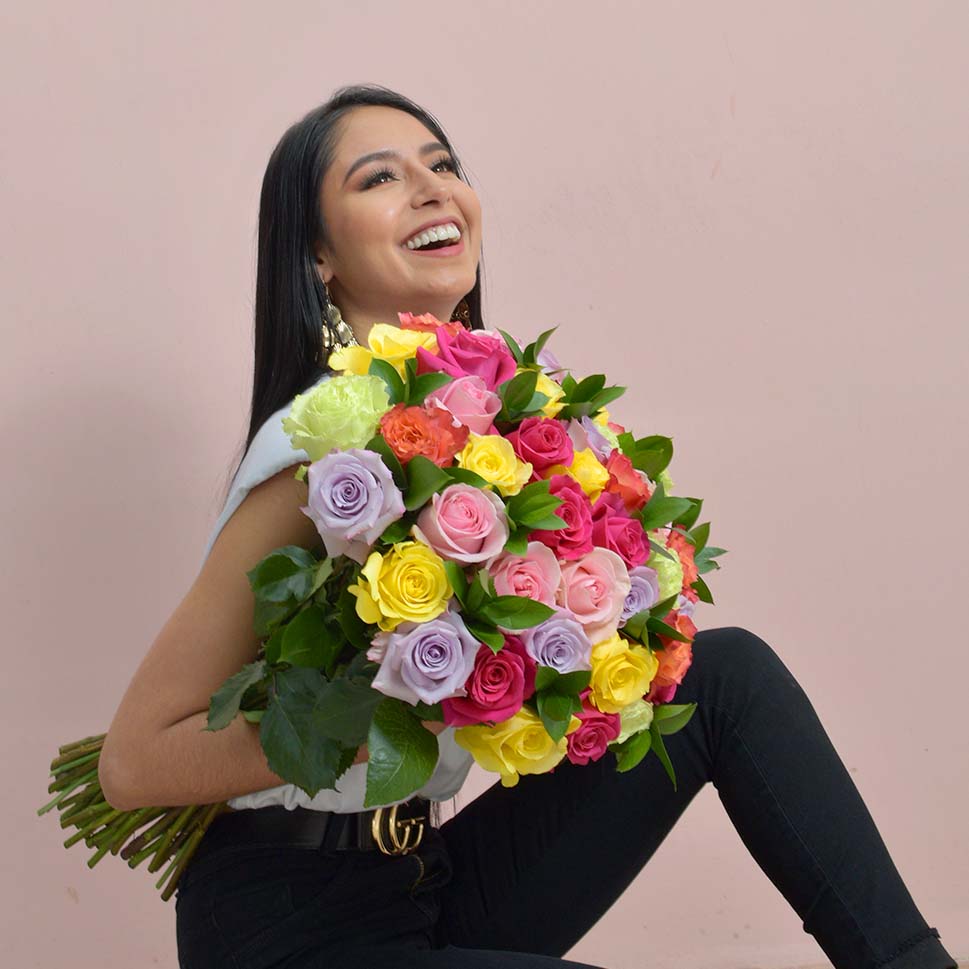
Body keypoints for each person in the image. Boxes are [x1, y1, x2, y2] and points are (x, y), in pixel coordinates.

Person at [97, 84, 959, 969]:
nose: (433, 188)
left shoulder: (483, 436)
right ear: (318, 253)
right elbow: (133, 762)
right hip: (285, 925)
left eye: (442, 165)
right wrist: (398, 701)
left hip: (426, 875)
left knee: (724, 672)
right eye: (381, 178)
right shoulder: (316, 457)